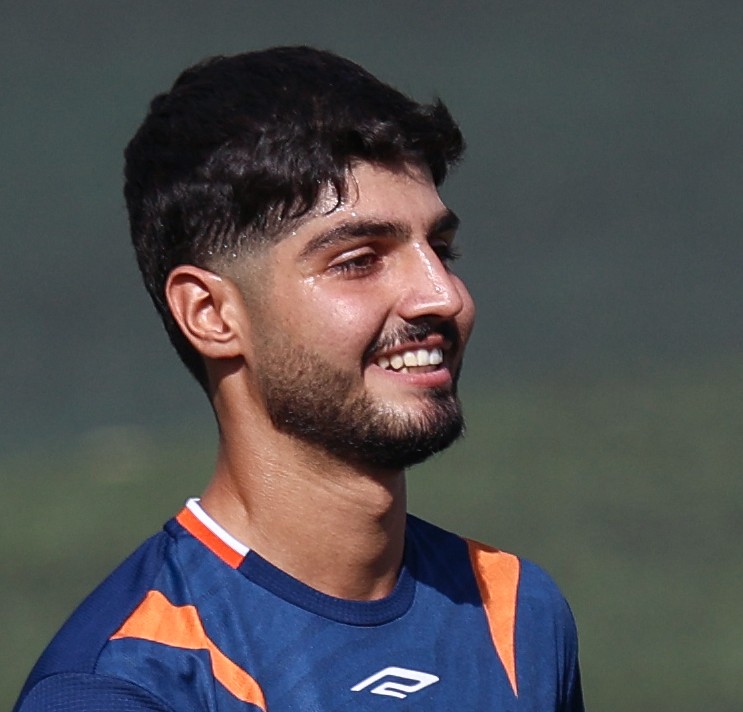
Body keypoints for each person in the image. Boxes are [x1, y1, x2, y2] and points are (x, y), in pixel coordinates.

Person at [14, 46, 584, 711]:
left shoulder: (513, 610)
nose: (443, 295)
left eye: (441, 248)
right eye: (359, 260)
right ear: (211, 315)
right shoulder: (125, 686)